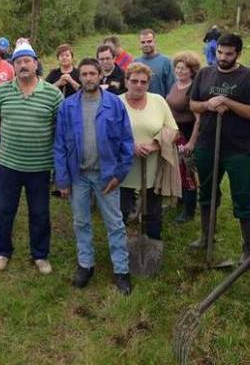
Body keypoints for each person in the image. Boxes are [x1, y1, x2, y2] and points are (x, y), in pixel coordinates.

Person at [54, 58, 134, 294]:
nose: (88, 78)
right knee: (81, 221)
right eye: (84, 74)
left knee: (115, 223)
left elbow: (126, 142)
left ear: (100, 76)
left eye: (92, 74)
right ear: (80, 77)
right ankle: (85, 265)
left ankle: (121, 269)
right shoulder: (68, 106)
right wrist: (62, 179)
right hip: (78, 175)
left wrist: (118, 175)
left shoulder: (114, 104)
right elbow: (59, 145)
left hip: (106, 176)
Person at [0, 40, 63, 274]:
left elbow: (59, 127)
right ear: (13, 66)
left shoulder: (52, 94)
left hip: (40, 166)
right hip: (9, 164)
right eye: (18, 62)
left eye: (27, 61)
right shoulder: (3, 91)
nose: (23, 65)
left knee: (40, 212)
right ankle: (2, 252)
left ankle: (40, 255)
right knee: (5, 209)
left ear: (35, 64)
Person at [189, 33, 250, 262]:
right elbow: (193, 104)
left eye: (228, 54)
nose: (222, 57)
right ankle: (206, 237)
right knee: (207, 191)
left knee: (243, 196)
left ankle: (249, 248)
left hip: (240, 148)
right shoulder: (205, 73)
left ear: (238, 54)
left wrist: (227, 102)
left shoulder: (249, 77)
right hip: (208, 144)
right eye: (220, 52)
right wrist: (209, 104)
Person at [118, 63, 178, 240]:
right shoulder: (116, 103)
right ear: (126, 81)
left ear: (148, 83)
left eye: (143, 82)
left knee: (153, 211)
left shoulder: (158, 101)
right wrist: (131, 146)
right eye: (134, 81)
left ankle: (152, 243)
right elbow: (107, 134)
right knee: (121, 212)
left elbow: (173, 131)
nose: (138, 85)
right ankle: (121, 248)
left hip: (152, 168)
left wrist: (154, 146)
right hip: (123, 169)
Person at [167, 51, 202, 223]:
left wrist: (192, 142)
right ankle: (180, 200)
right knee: (178, 170)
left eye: (184, 69)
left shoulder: (194, 88)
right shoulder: (176, 85)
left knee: (187, 172)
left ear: (192, 70)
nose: (180, 71)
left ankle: (189, 210)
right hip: (175, 133)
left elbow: (199, 119)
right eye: (178, 68)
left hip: (187, 133)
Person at [134, 29, 175, 97]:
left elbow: (171, 88)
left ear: (155, 42)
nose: (146, 44)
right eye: (143, 42)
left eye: (149, 41)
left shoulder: (166, 62)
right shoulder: (135, 62)